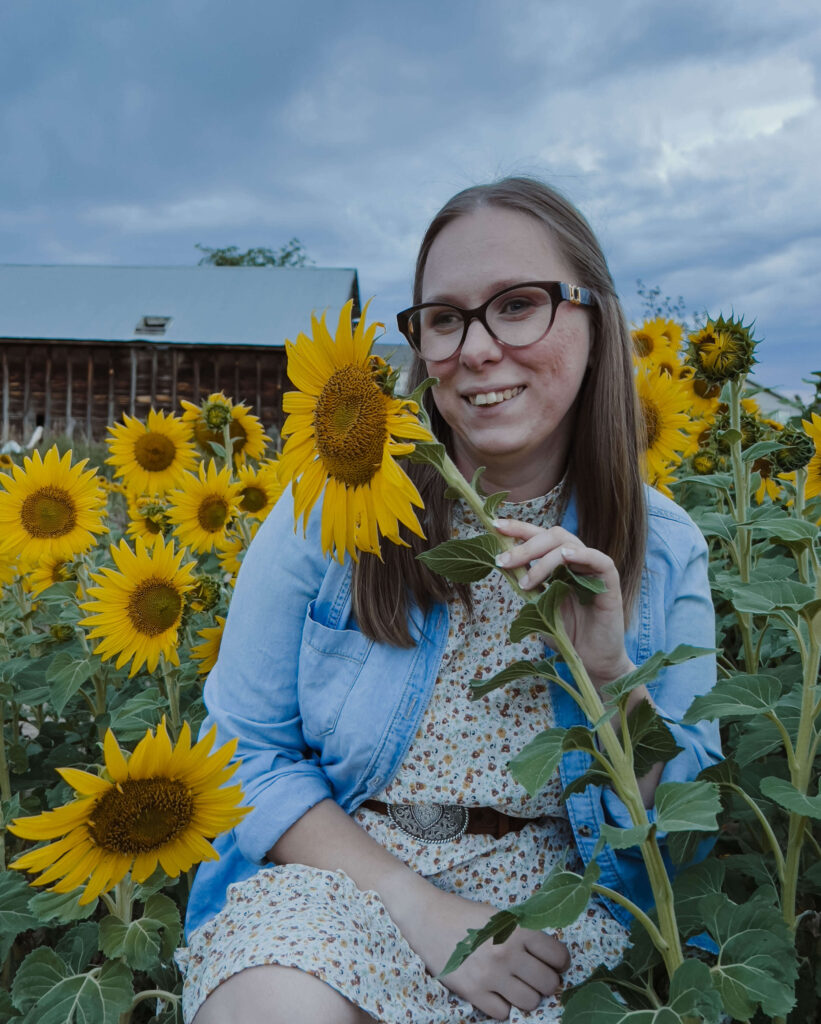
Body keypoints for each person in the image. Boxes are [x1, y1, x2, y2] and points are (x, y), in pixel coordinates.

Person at [177, 177, 720, 1024]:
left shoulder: (665, 543)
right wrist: (416, 905)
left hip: (568, 907)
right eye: (444, 317)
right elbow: (242, 749)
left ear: (593, 320)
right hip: (343, 883)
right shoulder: (332, 507)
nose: (475, 348)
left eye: (517, 305)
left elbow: (681, 834)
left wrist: (610, 671)